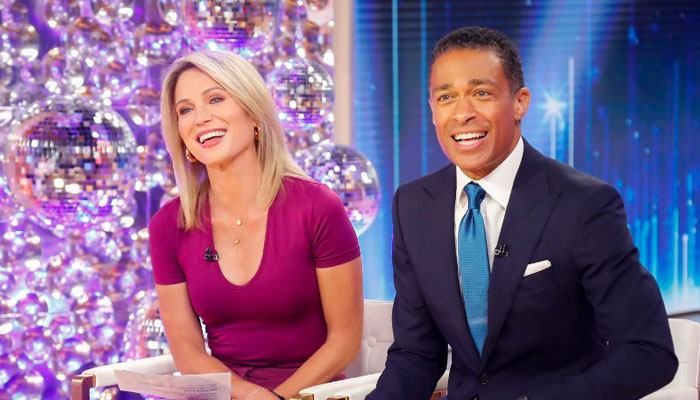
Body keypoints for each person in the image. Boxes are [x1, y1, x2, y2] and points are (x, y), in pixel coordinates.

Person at [367, 26, 677, 400]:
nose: (463, 113)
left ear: (520, 103)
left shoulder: (583, 205)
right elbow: (416, 354)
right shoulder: (414, 204)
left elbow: (648, 352)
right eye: (446, 97)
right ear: (433, 110)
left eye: (481, 93)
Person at [149, 50, 363, 400]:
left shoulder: (316, 206)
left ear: (253, 115)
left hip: (310, 394)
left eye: (215, 99)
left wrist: (275, 399)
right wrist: (250, 396)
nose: (201, 118)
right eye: (185, 110)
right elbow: (187, 351)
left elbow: (344, 340)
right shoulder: (169, 226)